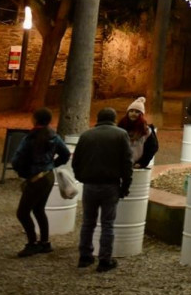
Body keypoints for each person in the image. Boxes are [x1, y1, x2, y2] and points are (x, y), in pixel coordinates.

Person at [72, 107, 133, 272]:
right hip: (110, 184)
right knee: (107, 224)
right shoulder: (121, 135)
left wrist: (81, 177)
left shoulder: (86, 135)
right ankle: (104, 259)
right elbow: (127, 162)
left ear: (98, 119)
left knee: (87, 223)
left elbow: (76, 161)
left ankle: (84, 256)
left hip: (90, 185)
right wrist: (126, 185)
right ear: (114, 119)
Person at [10, 107, 71, 257]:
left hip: (35, 178)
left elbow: (17, 159)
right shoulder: (54, 136)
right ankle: (44, 243)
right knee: (38, 209)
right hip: (48, 176)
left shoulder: (30, 137)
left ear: (35, 119)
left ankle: (32, 244)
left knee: (23, 213)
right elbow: (65, 154)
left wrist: (23, 173)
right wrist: (52, 165)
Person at [118, 96, 158, 167]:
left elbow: (152, 148)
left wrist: (142, 163)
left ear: (141, 115)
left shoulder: (146, 131)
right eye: (131, 111)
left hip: (137, 166)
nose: (133, 114)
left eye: (137, 112)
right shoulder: (120, 127)